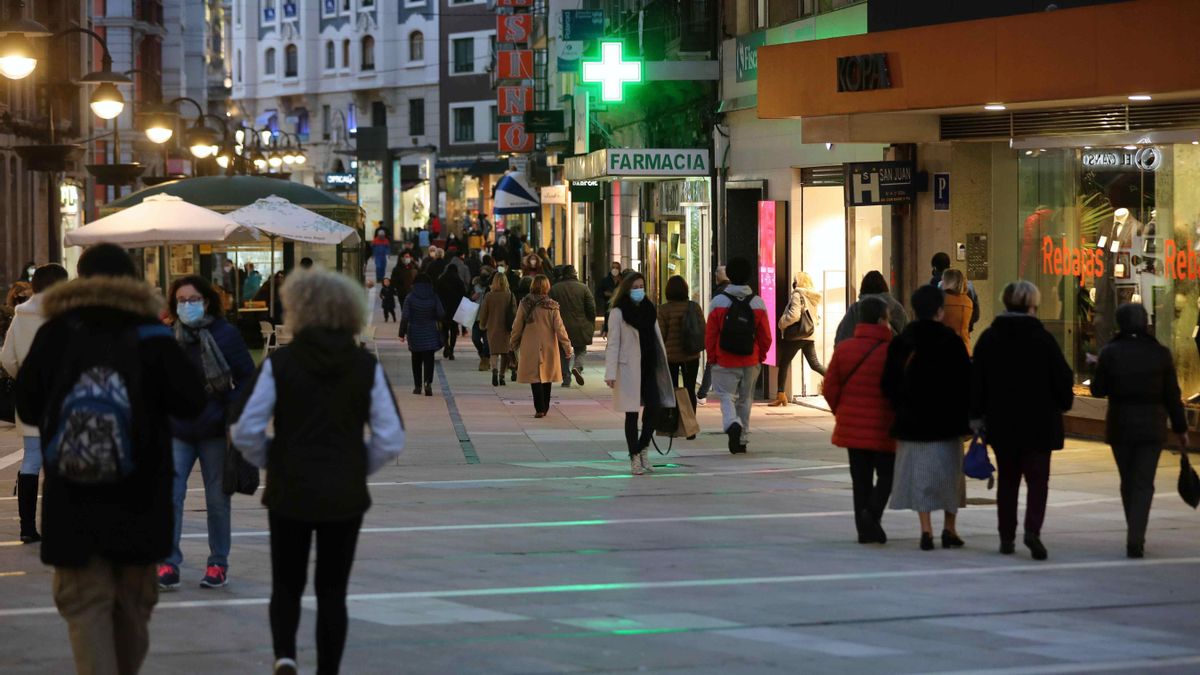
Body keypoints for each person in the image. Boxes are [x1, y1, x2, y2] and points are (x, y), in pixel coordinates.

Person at [15, 244, 206, 675]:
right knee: (132, 612)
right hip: (141, 500)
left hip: (74, 500)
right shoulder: (153, 336)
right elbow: (192, 403)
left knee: (86, 610)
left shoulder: (57, 332)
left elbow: (27, 407)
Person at [230, 268, 404, 675]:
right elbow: (390, 437)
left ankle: (285, 655)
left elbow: (245, 428)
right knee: (332, 590)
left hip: (290, 486)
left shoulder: (281, 363)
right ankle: (328, 667)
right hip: (344, 490)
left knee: (286, 582)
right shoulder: (365, 366)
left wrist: (272, 457)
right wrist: (358, 464)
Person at [158, 275, 256, 591]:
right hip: (177, 428)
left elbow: (246, 378)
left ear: (207, 300)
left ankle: (218, 563)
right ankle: (168, 561)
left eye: (193, 299)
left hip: (214, 428)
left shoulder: (225, 334)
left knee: (217, 498)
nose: (188, 305)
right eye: (182, 301)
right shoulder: (167, 336)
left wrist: (231, 409)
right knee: (170, 495)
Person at [971, 280, 1075, 560]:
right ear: (1032, 305)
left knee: (1008, 481)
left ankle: (1007, 536)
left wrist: (977, 416)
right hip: (1040, 424)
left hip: (1003, 423)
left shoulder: (990, 338)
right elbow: (1063, 380)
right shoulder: (1043, 339)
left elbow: (977, 381)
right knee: (1038, 481)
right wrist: (1062, 403)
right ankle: (1033, 531)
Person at [1090, 303, 1188, 559]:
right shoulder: (1160, 353)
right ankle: (1136, 537)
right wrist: (1180, 428)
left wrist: (1098, 365)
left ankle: (1134, 530)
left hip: (1120, 423)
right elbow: (1172, 395)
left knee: (1128, 481)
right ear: (1145, 323)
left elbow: (1098, 390)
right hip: (1152, 425)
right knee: (1144, 483)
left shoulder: (1111, 352)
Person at [881, 285, 970, 551]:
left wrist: (901, 405)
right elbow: (966, 381)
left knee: (920, 476)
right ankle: (950, 529)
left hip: (913, 421)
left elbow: (888, 383)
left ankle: (926, 529)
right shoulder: (952, 341)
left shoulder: (903, 341)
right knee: (950, 476)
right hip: (948, 422)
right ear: (940, 311)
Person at [1, 263, 69, 544]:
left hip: (31, 398)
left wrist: (25, 377)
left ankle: (27, 527)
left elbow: (7, 358)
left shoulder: (21, 315)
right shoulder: (69, 314)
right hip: (66, 396)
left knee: (31, 459)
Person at [822, 297, 895, 544]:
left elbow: (829, 388)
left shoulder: (844, 349)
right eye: (887, 318)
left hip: (853, 428)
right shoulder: (892, 351)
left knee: (860, 480)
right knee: (887, 476)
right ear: (880, 320)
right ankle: (872, 516)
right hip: (884, 426)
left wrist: (841, 412)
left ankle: (864, 529)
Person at [605, 273, 675, 474]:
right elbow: (613, 344)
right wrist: (611, 373)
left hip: (649, 366)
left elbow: (655, 338)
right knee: (632, 414)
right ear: (627, 289)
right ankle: (634, 458)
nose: (638, 290)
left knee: (655, 407)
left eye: (641, 286)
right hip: (629, 368)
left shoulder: (649, 309)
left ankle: (642, 448)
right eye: (635, 286)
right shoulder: (618, 312)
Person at [705, 258, 772, 454]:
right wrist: (761, 355)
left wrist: (711, 356)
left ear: (730, 276)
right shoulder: (757, 302)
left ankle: (732, 423)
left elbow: (710, 334)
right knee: (746, 400)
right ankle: (742, 439)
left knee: (726, 397)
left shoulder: (718, 302)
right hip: (750, 359)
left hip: (724, 359)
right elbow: (765, 335)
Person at [509, 275, 572, 419]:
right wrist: (567, 346)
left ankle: (540, 408)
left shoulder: (525, 303)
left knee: (535, 377)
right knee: (547, 376)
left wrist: (513, 342)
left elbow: (517, 325)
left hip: (530, 344)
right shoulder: (552, 305)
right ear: (547, 287)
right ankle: (545, 406)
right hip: (548, 344)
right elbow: (560, 328)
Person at [773, 271, 826, 406]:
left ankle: (781, 395)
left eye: (795, 280)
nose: (793, 283)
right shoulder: (812, 296)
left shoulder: (798, 295)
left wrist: (781, 323)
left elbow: (795, 315)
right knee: (815, 364)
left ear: (798, 282)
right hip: (809, 334)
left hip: (797, 335)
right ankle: (837, 379)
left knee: (784, 363)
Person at [657, 275, 705, 413]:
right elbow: (702, 329)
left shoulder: (663, 309)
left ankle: (674, 421)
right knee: (690, 389)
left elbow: (661, 334)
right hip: (691, 354)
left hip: (671, 356)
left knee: (672, 388)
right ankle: (690, 424)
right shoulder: (694, 307)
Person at [549, 265, 596, 388]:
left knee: (563, 352)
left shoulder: (554, 289)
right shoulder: (584, 288)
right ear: (575, 274)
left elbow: (549, 308)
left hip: (561, 326)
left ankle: (566, 378)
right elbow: (591, 308)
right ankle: (577, 367)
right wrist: (590, 322)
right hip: (580, 325)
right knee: (581, 349)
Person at [399, 274, 444, 396]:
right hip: (430, 331)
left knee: (416, 360)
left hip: (414, 332)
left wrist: (401, 333)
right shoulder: (434, 296)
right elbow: (441, 313)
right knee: (429, 359)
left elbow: (405, 317)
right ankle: (427, 383)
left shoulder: (410, 297)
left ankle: (417, 386)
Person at [834, 271, 908, 345]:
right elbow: (908, 340)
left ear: (862, 289)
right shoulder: (897, 309)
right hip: (891, 354)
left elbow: (841, 339)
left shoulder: (855, 310)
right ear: (885, 287)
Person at [696, 265, 730, 405]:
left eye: (718, 273)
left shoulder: (719, 293)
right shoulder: (736, 290)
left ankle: (703, 393)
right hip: (732, 334)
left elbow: (714, 317)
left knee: (711, 363)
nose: (715, 276)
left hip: (720, 334)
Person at [478, 272, 516, 386]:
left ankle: (494, 370)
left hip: (492, 328)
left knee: (493, 352)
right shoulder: (510, 296)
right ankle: (502, 376)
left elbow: (484, 312)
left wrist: (482, 324)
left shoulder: (489, 296)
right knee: (505, 353)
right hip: (506, 329)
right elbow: (515, 313)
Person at [931, 252, 980, 332]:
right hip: (963, 332)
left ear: (935, 268)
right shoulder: (967, 285)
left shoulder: (935, 284)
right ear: (950, 265)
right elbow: (976, 314)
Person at [434, 266, 466, 361]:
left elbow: (436, 293)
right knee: (453, 330)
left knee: (444, 330)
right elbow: (463, 294)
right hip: (455, 310)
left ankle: (446, 345)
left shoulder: (441, 279)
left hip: (443, 309)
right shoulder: (458, 281)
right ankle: (451, 350)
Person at [940, 268, 973, 354]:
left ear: (948, 281)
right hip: (965, 348)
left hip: (944, 349)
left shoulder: (940, 300)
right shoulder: (968, 301)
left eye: (943, 280)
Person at [596, 261, 623, 337]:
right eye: (613, 267)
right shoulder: (605, 280)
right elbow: (598, 292)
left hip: (621, 306)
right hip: (609, 307)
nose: (615, 269)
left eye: (617, 268)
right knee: (609, 323)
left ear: (620, 269)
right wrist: (605, 294)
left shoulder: (623, 280)